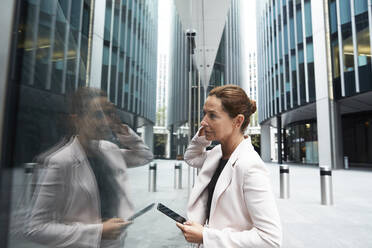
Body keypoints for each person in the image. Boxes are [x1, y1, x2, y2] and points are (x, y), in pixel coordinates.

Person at [21, 87, 153, 247]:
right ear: (77, 120)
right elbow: (35, 228)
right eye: (98, 115)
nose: (106, 121)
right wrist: (98, 231)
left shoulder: (108, 149)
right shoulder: (61, 161)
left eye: (108, 114)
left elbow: (145, 156)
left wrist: (120, 128)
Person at [176, 85, 282, 247]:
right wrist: (203, 136)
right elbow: (191, 157)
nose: (203, 122)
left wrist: (206, 236)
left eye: (212, 115)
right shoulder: (217, 153)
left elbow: (270, 240)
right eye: (204, 114)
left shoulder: (250, 166)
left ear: (237, 121)